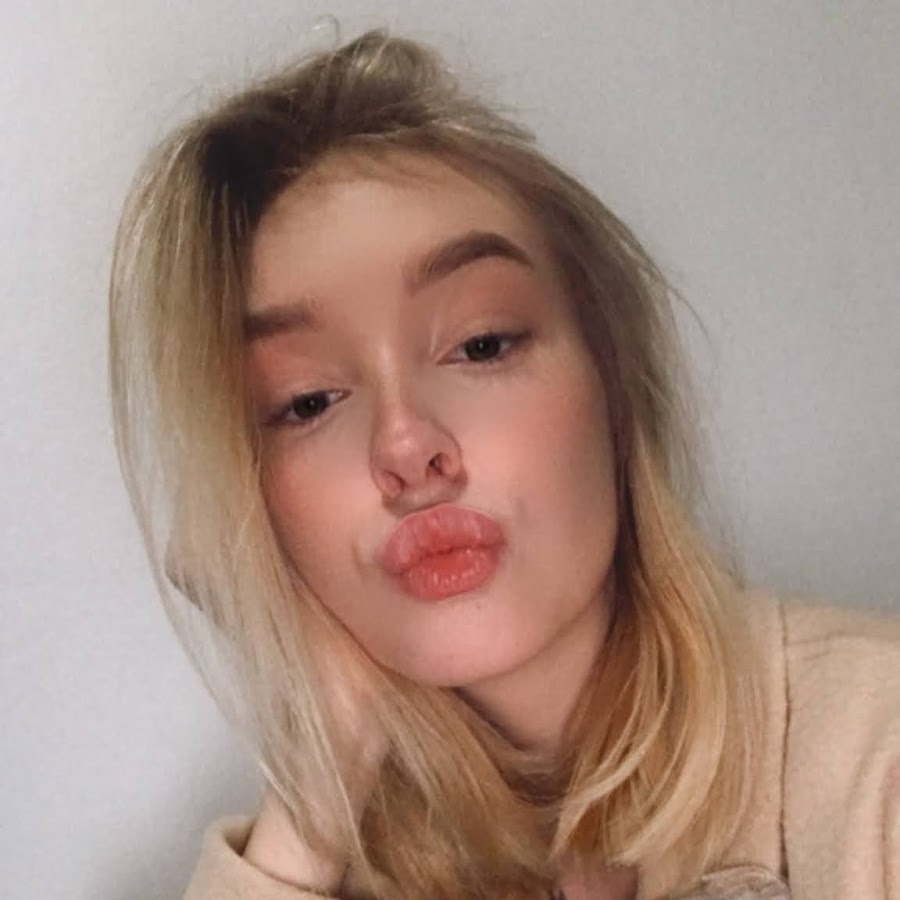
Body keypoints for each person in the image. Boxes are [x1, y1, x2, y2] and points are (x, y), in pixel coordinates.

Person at [108, 29, 899, 900]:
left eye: (481, 344)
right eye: (308, 401)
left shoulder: (876, 752)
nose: (404, 445)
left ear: (612, 376)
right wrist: (312, 801)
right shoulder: (339, 869)